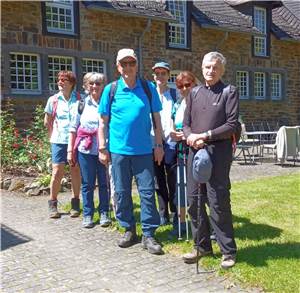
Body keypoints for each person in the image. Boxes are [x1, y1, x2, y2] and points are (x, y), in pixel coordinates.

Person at [98, 48, 164, 255]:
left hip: (144, 150)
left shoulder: (148, 88)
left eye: (131, 63)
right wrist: (102, 148)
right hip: (118, 151)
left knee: (146, 192)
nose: (128, 67)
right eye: (123, 64)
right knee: (122, 192)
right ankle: (128, 229)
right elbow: (102, 123)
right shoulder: (111, 89)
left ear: (136, 65)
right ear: (118, 67)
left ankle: (148, 234)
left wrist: (159, 146)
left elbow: (157, 121)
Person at [182, 52, 239, 269]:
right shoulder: (194, 93)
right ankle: (202, 246)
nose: (210, 71)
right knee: (193, 200)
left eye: (215, 67)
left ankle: (228, 251)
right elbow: (186, 123)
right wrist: (190, 137)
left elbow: (232, 125)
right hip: (195, 153)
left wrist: (204, 135)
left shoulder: (228, 92)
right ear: (202, 68)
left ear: (222, 70)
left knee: (218, 202)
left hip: (218, 154)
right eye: (207, 67)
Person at [68, 72, 111, 228]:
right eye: (91, 83)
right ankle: (88, 214)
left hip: (104, 149)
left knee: (104, 183)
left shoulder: (108, 104)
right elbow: (73, 129)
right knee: (87, 184)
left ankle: (104, 212)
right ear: (86, 86)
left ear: (103, 86)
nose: (95, 86)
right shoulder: (80, 105)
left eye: (98, 83)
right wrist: (69, 150)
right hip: (85, 150)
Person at [44, 70, 81, 218]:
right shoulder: (53, 100)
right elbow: (47, 121)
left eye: (64, 80)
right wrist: (53, 135)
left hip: (76, 140)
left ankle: (75, 204)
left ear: (71, 83)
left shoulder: (79, 99)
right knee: (57, 171)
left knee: (75, 171)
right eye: (59, 80)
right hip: (58, 140)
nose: (60, 82)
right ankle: (53, 203)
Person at [169, 71, 198, 237]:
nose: (184, 88)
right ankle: (180, 223)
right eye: (180, 86)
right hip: (180, 150)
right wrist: (174, 134)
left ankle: (201, 224)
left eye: (188, 84)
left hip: (195, 150)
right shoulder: (177, 104)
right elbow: (173, 126)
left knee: (197, 189)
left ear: (194, 83)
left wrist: (187, 135)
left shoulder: (199, 103)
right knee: (180, 188)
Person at [152, 61, 177, 226]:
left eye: (163, 73)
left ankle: (175, 212)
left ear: (168, 75)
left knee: (173, 179)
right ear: (153, 76)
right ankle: (163, 213)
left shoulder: (175, 94)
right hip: (153, 142)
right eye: (157, 73)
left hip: (171, 142)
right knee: (158, 179)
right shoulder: (148, 94)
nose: (160, 76)